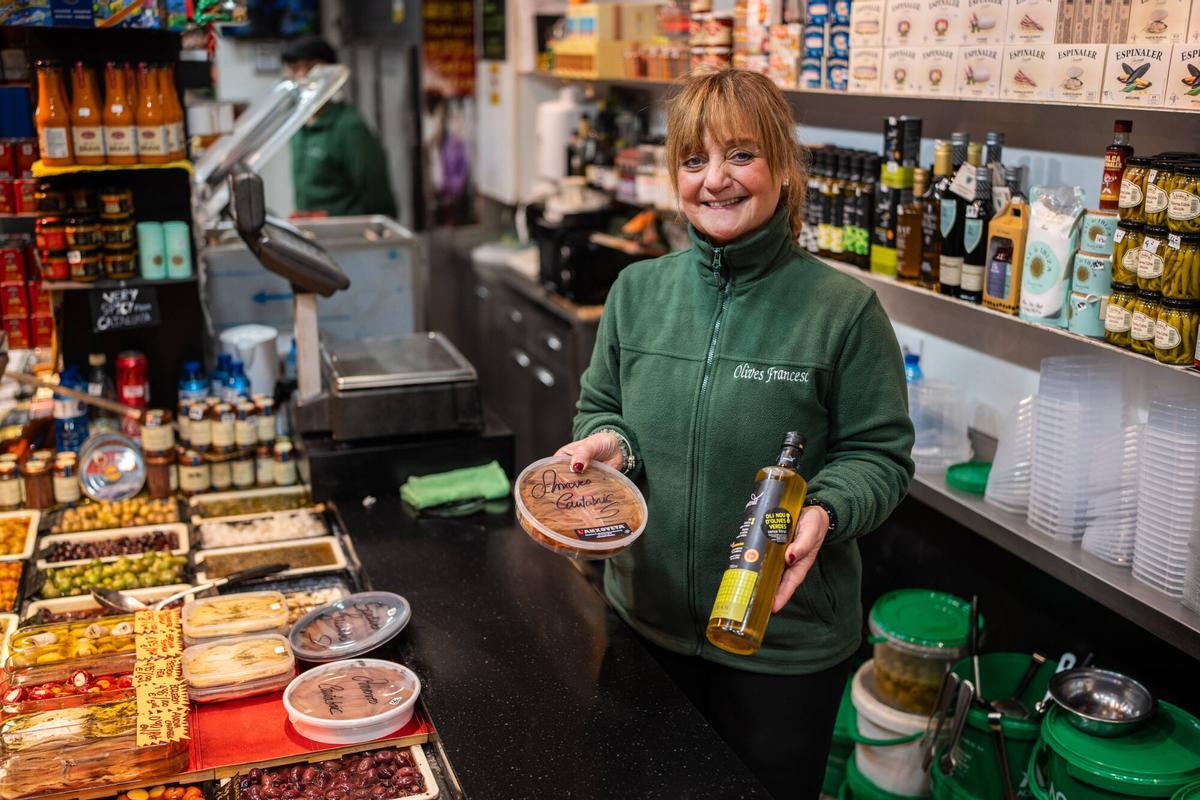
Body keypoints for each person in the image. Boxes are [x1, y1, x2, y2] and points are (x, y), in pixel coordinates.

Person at [555, 69, 915, 800]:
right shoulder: (638, 291)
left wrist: (826, 511)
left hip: (783, 654)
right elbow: (602, 409)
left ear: (782, 167)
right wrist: (607, 446)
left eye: (740, 156)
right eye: (694, 161)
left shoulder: (842, 311)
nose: (715, 180)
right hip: (644, 627)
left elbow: (879, 456)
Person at [282, 36, 398, 218]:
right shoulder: (298, 127)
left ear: (331, 73)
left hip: (345, 236)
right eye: (295, 69)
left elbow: (377, 195)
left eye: (312, 68)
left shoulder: (349, 127)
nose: (303, 76)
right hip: (311, 234)